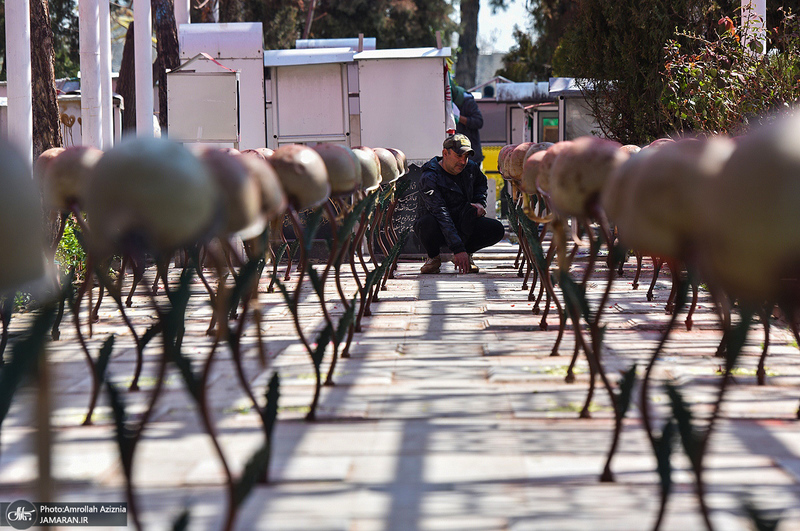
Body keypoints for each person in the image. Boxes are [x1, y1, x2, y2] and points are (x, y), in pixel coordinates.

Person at [415, 134, 505, 274]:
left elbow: (481, 183)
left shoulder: (470, 168)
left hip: (464, 222)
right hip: (438, 225)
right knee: (426, 223)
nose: (463, 162)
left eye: (466, 157)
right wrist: (458, 249)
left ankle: (467, 254)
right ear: (445, 153)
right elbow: (441, 213)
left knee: (496, 229)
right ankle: (433, 258)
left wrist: (479, 203)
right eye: (459, 156)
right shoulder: (430, 177)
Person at [450, 80, 484, 165]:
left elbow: (479, 122)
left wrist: (459, 118)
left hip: (471, 154)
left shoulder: (467, 100)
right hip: (455, 154)